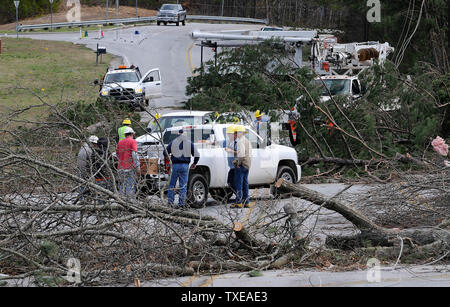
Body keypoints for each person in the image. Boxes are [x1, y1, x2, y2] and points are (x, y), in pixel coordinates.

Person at [165, 129, 200, 208]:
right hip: (184, 166)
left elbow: (165, 152)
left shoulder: (173, 142)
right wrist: (194, 163)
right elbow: (197, 155)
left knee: (171, 185)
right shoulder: (189, 143)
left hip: (174, 166)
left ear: (178, 134)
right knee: (183, 186)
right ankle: (181, 204)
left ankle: (170, 203)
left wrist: (169, 159)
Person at [116, 127, 140, 200]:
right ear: (132, 134)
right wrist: (137, 166)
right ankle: (130, 203)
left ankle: (121, 202)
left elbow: (117, 154)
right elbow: (134, 154)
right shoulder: (133, 141)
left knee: (122, 186)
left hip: (120, 168)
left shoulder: (120, 142)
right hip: (129, 167)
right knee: (130, 185)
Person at [232, 125, 252, 208]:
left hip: (242, 165)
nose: (235, 134)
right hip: (247, 164)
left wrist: (237, 163)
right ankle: (246, 201)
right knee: (245, 183)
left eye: (236, 133)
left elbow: (241, 155)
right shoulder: (247, 141)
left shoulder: (240, 141)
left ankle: (239, 202)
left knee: (239, 184)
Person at [76, 135, 99, 202]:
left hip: (80, 172)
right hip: (85, 173)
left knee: (82, 190)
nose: (96, 145)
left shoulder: (83, 147)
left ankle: (83, 204)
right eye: (95, 144)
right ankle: (85, 205)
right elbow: (86, 164)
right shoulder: (89, 150)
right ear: (92, 143)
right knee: (86, 190)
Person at [92, 137, 114, 205]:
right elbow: (113, 164)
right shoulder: (108, 153)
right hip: (108, 177)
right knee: (108, 194)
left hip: (98, 177)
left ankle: (100, 207)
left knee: (100, 194)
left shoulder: (94, 153)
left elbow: (90, 165)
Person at [223, 125, 238, 196]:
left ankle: (240, 198)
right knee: (230, 182)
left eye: (230, 134)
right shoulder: (229, 141)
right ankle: (239, 197)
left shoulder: (237, 142)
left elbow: (239, 153)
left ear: (235, 134)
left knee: (236, 183)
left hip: (237, 166)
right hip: (232, 166)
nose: (228, 136)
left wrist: (230, 150)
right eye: (228, 134)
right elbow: (219, 143)